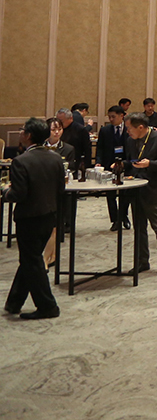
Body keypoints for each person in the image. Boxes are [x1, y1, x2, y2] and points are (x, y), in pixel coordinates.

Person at [4, 118, 65, 319]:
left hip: (29, 218)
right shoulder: (55, 158)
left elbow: (19, 194)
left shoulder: (21, 161)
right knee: (30, 259)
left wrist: (5, 192)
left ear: (28, 135)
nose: (20, 132)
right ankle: (14, 302)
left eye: (22, 130)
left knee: (32, 262)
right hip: (49, 215)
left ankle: (48, 306)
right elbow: (60, 189)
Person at [126, 112, 157, 277]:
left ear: (140, 127)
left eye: (129, 128)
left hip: (153, 190)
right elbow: (131, 161)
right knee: (139, 229)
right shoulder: (130, 141)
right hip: (135, 189)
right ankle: (142, 261)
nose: (128, 132)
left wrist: (150, 164)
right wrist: (122, 165)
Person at [96, 105, 131, 230]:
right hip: (109, 164)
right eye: (109, 117)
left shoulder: (129, 129)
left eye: (113, 117)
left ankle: (123, 216)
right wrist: (98, 162)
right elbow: (100, 148)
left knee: (125, 194)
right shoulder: (105, 130)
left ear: (122, 116)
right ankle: (115, 219)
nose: (111, 119)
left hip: (126, 164)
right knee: (110, 194)